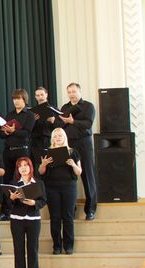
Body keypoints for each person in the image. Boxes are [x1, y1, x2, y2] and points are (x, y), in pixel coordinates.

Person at [53, 82, 97, 220]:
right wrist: (62, 121)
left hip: (84, 143)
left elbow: (88, 124)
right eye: (69, 92)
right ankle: (71, 208)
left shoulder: (88, 106)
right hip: (69, 145)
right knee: (68, 175)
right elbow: (59, 125)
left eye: (74, 91)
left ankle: (90, 209)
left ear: (79, 91)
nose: (72, 94)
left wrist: (73, 121)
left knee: (87, 175)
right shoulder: (65, 107)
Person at [38, 128, 82, 255]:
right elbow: (41, 172)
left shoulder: (73, 152)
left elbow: (79, 172)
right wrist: (44, 164)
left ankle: (68, 246)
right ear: (52, 138)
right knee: (55, 217)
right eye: (55, 136)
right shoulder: (47, 152)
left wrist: (73, 164)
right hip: (52, 188)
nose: (58, 137)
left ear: (65, 137)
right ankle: (56, 246)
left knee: (68, 217)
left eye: (60, 135)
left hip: (69, 187)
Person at [8, 157, 46, 268]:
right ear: (18, 169)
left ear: (31, 167)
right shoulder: (13, 184)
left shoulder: (39, 183)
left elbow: (43, 201)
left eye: (26, 165)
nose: (23, 168)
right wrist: (11, 199)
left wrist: (34, 203)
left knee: (32, 251)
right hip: (16, 219)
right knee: (18, 251)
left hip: (33, 220)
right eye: (20, 166)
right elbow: (8, 205)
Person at [0, 89, 36, 221]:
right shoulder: (10, 115)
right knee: (7, 180)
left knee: (23, 179)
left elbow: (27, 133)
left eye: (18, 99)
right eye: (14, 99)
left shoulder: (30, 115)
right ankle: (6, 210)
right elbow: (2, 133)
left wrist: (14, 131)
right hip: (8, 150)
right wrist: (7, 132)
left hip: (22, 150)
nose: (16, 101)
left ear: (24, 100)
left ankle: (25, 208)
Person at [30, 87, 53, 166]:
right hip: (36, 142)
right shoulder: (32, 111)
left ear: (46, 95)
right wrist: (33, 121)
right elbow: (29, 129)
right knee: (37, 165)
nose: (40, 97)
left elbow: (59, 127)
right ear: (35, 97)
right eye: (38, 95)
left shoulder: (53, 109)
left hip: (49, 140)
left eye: (42, 95)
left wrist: (53, 121)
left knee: (50, 164)